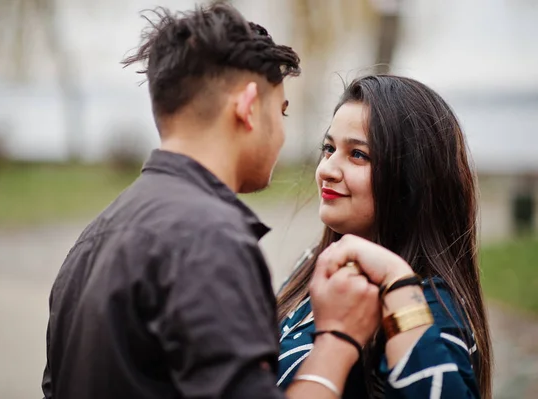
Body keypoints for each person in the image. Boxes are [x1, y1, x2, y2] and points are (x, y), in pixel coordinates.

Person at [41, 4, 381, 399]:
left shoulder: (93, 238)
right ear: (249, 106)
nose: (282, 135)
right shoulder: (208, 240)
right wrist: (337, 340)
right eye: (281, 111)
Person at [276, 75, 493, 398]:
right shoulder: (315, 263)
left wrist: (396, 281)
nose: (327, 170)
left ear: (411, 181)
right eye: (329, 148)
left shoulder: (428, 308)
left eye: (358, 155)